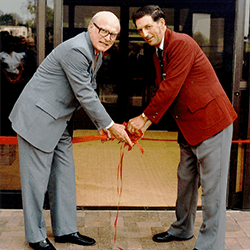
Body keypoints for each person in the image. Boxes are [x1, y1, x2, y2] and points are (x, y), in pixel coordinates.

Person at [9, 11, 133, 250]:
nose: (107, 38)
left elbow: (88, 90)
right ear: (91, 27)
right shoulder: (77, 49)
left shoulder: (95, 52)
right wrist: (108, 125)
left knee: (64, 177)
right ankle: (35, 237)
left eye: (113, 35)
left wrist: (102, 125)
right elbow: (84, 93)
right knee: (35, 183)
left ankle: (65, 230)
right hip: (38, 119)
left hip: (60, 121)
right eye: (103, 31)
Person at [127, 5, 237, 250]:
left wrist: (143, 117)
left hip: (212, 124)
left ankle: (210, 244)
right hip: (188, 126)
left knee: (212, 191)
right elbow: (163, 90)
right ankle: (182, 229)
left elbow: (171, 87)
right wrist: (143, 126)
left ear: (162, 23)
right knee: (185, 181)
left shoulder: (182, 43)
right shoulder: (157, 51)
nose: (144, 33)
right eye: (139, 29)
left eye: (148, 26)